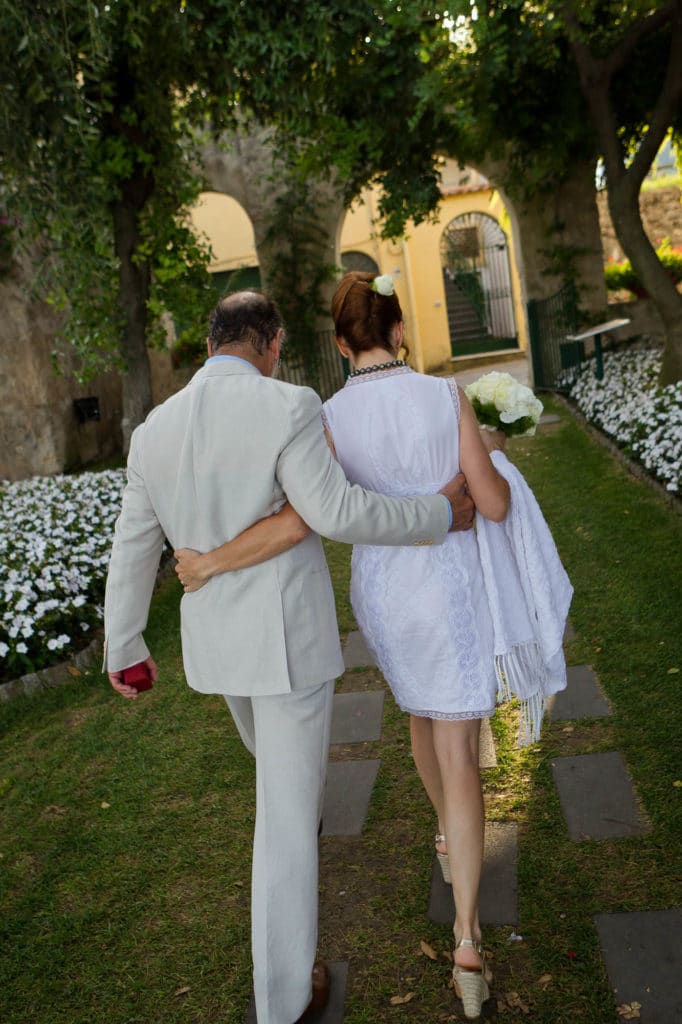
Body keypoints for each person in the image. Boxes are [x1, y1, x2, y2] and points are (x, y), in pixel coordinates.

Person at [103, 289, 475, 1024]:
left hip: (221, 652)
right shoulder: (288, 405)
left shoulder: (154, 430)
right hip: (286, 651)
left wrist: (125, 645)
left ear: (211, 343)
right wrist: (439, 512)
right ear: (271, 343)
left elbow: (133, 544)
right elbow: (335, 512)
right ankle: (283, 1001)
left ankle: (296, 827)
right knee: (283, 823)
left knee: (284, 792)